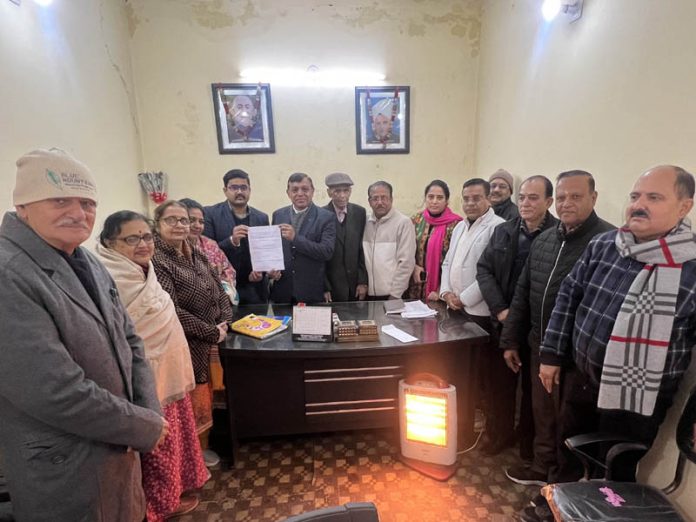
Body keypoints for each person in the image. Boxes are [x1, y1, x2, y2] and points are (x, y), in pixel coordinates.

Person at [0, 149, 167, 521]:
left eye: (88, 203)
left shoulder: (84, 257)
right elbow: (53, 391)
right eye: (60, 200)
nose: (78, 213)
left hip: (117, 448)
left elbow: (130, 340)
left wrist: (147, 412)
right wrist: (140, 424)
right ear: (23, 205)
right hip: (66, 466)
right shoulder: (9, 273)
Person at [540, 166, 696, 485]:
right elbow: (569, 295)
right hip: (582, 378)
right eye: (635, 196)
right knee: (567, 448)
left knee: (615, 467)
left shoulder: (691, 267)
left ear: (685, 206)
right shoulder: (606, 244)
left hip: (639, 399)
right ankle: (554, 505)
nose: (639, 204)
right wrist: (551, 356)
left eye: (654, 197)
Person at [500, 170, 614, 488]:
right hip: (540, 345)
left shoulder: (607, 242)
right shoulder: (546, 239)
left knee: (570, 423)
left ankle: (564, 486)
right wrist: (510, 339)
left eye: (575, 197)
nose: (567, 204)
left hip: (577, 357)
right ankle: (541, 468)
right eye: (562, 197)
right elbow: (523, 292)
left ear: (593, 198)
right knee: (542, 414)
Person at [96, 211, 208, 521]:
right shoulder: (108, 277)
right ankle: (159, 505)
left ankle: (175, 491)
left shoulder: (145, 270)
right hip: (143, 381)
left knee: (173, 438)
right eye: (132, 239)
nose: (143, 244)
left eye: (146, 237)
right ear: (109, 242)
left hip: (168, 372)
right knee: (155, 443)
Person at [476, 176, 558, 457]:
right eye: (522, 197)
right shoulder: (504, 231)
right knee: (500, 388)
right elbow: (484, 269)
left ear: (548, 202)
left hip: (537, 328)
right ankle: (498, 436)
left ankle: (527, 446)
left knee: (533, 395)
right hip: (504, 322)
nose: (525, 203)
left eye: (533, 198)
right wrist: (500, 309)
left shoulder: (558, 236)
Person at [152, 200, 234, 468]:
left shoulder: (196, 252)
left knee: (209, 395)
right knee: (192, 401)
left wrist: (225, 319)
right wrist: (211, 331)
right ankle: (193, 457)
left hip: (211, 338)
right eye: (171, 220)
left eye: (184, 220)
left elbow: (219, 289)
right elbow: (171, 309)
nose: (180, 226)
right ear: (158, 224)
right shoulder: (157, 259)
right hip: (186, 343)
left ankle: (204, 447)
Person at [204, 169, 270, 305]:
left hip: (255, 289)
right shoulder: (210, 214)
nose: (239, 192)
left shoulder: (262, 217)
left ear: (249, 190)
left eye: (243, 187)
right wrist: (232, 241)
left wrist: (261, 273)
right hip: (224, 288)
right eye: (234, 187)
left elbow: (265, 253)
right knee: (228, 326)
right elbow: (206, 252)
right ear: (225, 190)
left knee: (260, 325)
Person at [271, 173, 336, 304]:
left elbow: (326, 252)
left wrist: (295, 238)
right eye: (294, 190)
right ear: (288, 193)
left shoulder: (326, 217)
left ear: (312, 191)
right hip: (282, 290)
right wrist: (271, 270)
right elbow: (274, 250)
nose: (300, 193)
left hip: (311, 291)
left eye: (305, 189)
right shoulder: (278, 215)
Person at [409, 180, 463, 301]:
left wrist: (441, 290)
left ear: (447, 201)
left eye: (440, 198)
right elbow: (406, 250)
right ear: (425, 198)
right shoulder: (415, 220)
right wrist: (414, 266)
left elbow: (456, 260)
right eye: (431, 197)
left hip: (442, 289)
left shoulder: (456, 224)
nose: (434, 201)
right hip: (416, 285)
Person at [363, 181, 416, 299]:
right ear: (369, 202)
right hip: (367, 295)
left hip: (393, 295)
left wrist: (395, 294)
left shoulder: (403, 223)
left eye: (384, 198)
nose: (380, 202)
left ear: (391, 199)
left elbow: (406, 262)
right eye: (375, 198)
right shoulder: (365, 222)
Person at [180, 198, 237, 305]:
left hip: (219, 304)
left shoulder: (210, 245)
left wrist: (220, 281)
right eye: (191, 220)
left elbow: (230, 271)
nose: (197, 225)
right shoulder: (174, 246)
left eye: (201, 222)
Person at [323, 172, 368, 302]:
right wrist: (324, 286)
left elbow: (362, 249)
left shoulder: (360, 213)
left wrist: (362, 281)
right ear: (329, 192)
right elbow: (319, 257)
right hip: (332, 287)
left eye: (346, 190)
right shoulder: (321, 215)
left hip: (355, 286)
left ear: (350, 192)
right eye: (337, 191)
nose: (342, 195)